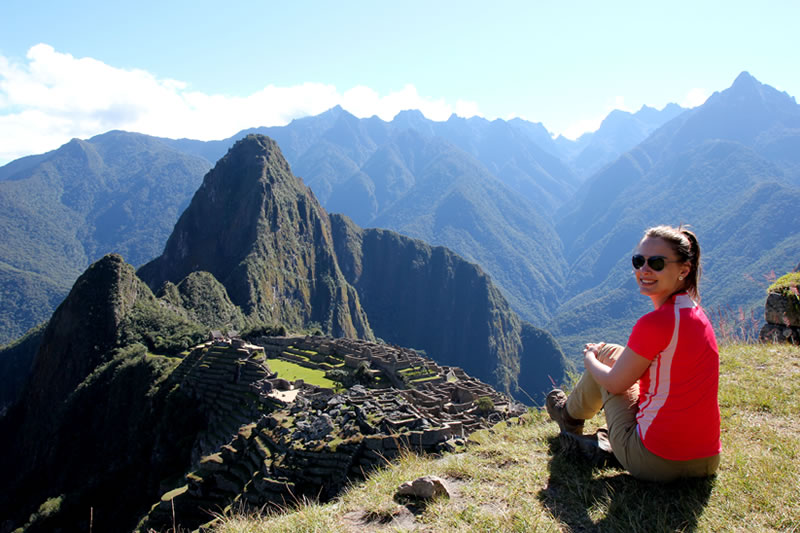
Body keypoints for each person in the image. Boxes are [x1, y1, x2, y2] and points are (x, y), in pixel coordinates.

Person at [546, 225, 721, 482]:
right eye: (639, 261)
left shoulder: (655, 323)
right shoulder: (695, 314)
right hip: (706, 460)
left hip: (655, 461)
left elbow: (616, 383)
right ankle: (595, 431)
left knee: (604, 355)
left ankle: (569, 418)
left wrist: (590, 359)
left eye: (657, 263)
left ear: (684, 270)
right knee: (616, 353)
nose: (644, 270)